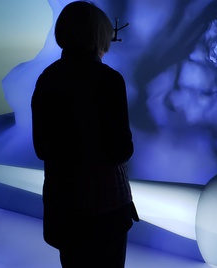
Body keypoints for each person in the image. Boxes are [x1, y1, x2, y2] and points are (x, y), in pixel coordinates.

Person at [31, 1, 138, 267]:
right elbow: (121, 150)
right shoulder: (109, 80)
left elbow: (41, 149)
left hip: (64, 207)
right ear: (99, 35)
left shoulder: (47, 79)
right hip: (106, 207)